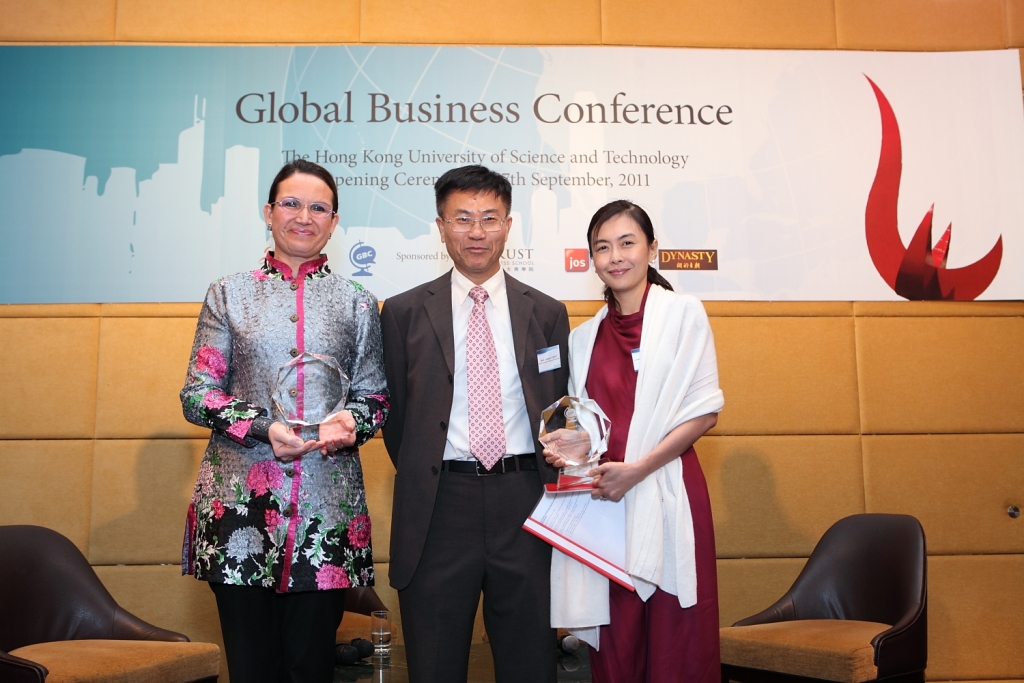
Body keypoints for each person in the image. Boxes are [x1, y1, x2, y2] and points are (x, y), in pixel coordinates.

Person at [180, 159, 389, 683]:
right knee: (252, 669)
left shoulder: (358, 303)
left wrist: (351, 423)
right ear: (269, 212)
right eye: (291, 203)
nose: (304, 216)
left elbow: (376, 399)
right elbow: (198, 394)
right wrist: (261, 427)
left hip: (328, 512)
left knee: (310, 666)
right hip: (239, 512)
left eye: (318, 207)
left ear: (334, 222)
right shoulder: (227, 293)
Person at [380, 165, 569, 683]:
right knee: (435, 662)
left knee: (531, 660)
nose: (477, 232)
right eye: (462, 218)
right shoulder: (402, 313)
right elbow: (396, 420)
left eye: (489, 218)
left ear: (509, 224)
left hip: (527, 501)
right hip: (439, 508)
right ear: (440, 226)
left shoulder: (548, 313)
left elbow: (558, 405)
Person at [545, 200, 724, 683]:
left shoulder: (683, 314)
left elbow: (704, 410)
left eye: (627, 243)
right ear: (591, 259)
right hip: (606, 501)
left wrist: (639, 469)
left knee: (676, 633)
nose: (615, 256)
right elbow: (592, 428)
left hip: (668, 489)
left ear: (651, 249)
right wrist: (570, 446)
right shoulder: (583, 338)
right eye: (602, 247)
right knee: (618, 640)